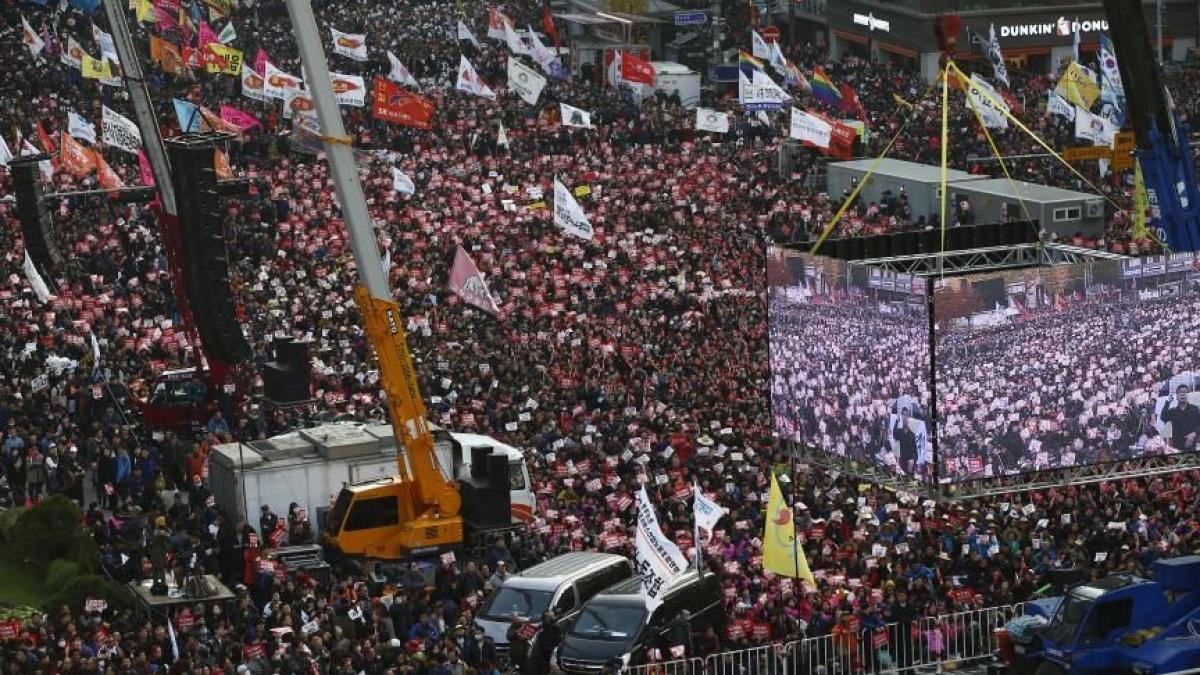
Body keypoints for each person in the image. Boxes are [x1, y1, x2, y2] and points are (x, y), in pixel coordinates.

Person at [1159, 384, 1200, 450]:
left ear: (1188, 395)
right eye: (1180, 392)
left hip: (1191, 447)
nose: (1182, 394)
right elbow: (1163, 417)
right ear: (1177, 396)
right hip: (1176, 449)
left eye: (1185, 392)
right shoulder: (1173, 411)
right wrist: (1168, 402)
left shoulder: (1194, 409)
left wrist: (1194, 434)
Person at [892, 407, 918, 476]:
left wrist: (913, 460)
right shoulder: (900, 432)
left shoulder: (912, 434)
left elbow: (915, 449)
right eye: (903, 415)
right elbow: (894, 434)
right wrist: (897, 421)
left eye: (906, 415)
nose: (905, 417)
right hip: (902, 459)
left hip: (910, 460)